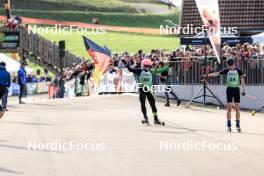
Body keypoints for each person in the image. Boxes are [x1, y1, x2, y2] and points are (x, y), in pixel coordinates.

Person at [124, 58, 170, 125]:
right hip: (142, 89)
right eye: (146, 66)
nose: (147, 67)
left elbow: (161, 70)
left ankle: (156, 119)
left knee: (153, 104)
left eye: (148, 66)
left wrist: (168, 66)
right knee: (143, 103)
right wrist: (126, 64)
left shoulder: (151, 71)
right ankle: (146, 118)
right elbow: (130, 70)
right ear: (143, 66)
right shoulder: (139, 71)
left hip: (149, 90)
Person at [206, 58, 246, 132]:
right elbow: (217, 73)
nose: (230, 67)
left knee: (237, 108)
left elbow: (242, 81)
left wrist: (244, 90)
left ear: (234, 64)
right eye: (229, 65)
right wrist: (207, 75)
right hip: (229, 90)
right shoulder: (227, 70)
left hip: (236, 90)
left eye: (231, 65)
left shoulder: (239, 71)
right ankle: (229, 126)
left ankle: (238, 125)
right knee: (229, 109)